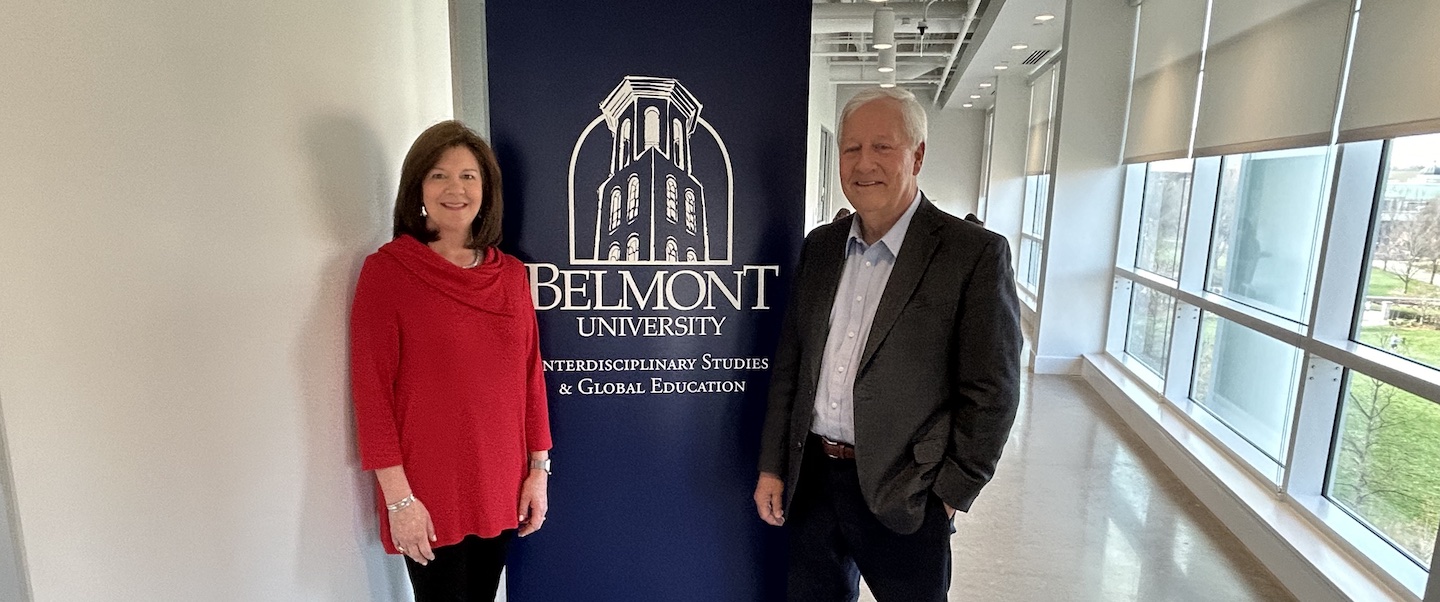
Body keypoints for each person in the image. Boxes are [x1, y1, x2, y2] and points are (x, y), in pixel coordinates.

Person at [753, 87, 1021, 602]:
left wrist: (949, 495)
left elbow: (993, 391)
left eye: (883, 147)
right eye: (851, 149)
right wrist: (774, 465)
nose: (864, 163)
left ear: (917, 155)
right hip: (811, 484)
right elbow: (791, 366)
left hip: (908, 492)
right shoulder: (821, 246)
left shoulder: (972, 254)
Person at [351, 120, 552, 601]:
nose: (455, 189)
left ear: (486, 189)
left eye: (468, 176)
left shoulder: (511, 277)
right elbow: (372, 393)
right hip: (427, 487)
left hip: (501, 480)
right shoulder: (389, 272)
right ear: (418, 187)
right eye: (439, 175)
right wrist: (399, 500)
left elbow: (529, 377)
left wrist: (538, 472)